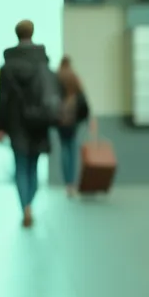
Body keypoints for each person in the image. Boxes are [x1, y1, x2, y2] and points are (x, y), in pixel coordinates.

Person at [0, 19, 52, 227]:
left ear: (17, 34)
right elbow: (49, 93)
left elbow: (2, 99)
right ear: (32, 32)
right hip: (38, 122)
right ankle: (30, 203)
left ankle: (24, 206)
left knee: (20, 165)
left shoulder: (6, 66)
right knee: (33, 165)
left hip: (15, 122)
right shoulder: (42, 63)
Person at [55, 55, 88, 196]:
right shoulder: (74, 77)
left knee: (64, 149)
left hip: (61, 119)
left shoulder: (56, 77)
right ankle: (72, 182)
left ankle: (66, 182)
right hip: (73, 120)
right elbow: (82, 96)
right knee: (72, 148)